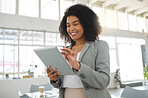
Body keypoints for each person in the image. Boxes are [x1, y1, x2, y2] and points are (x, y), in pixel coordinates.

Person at [46, 4, 111, 98]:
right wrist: (55, 79)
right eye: (68, 25)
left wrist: (78, 66)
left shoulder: (100, 45)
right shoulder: (67, 50)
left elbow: (103, 81)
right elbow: (61, 84)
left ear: (87, 24)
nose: (71, 29)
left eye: (75, 24)